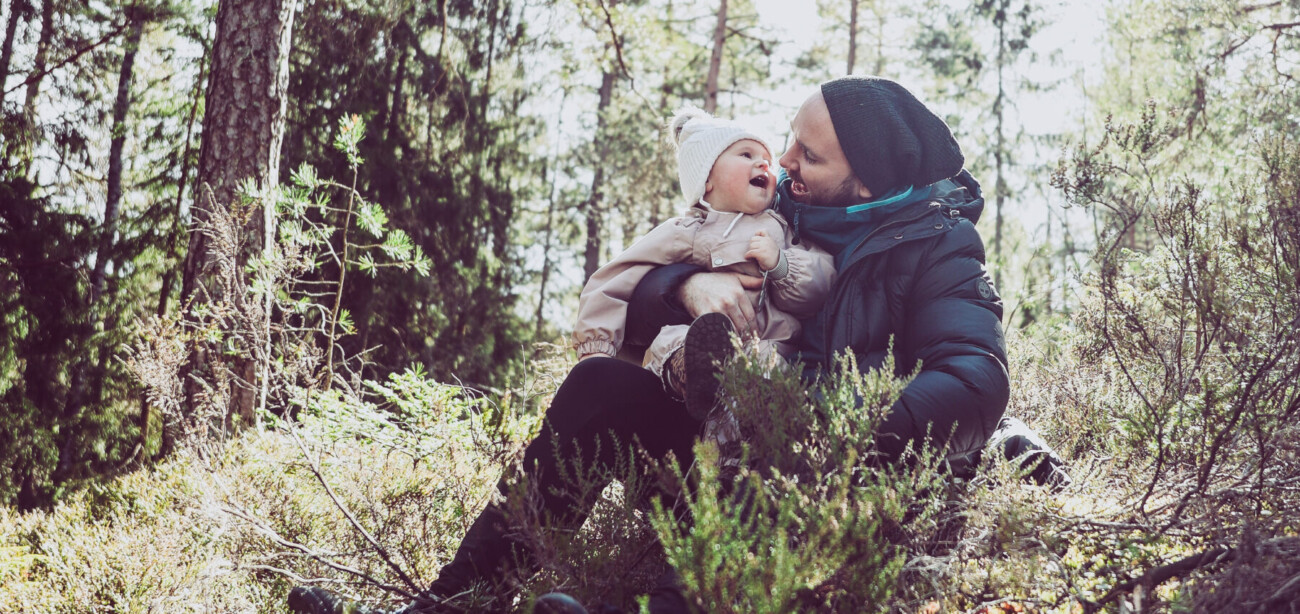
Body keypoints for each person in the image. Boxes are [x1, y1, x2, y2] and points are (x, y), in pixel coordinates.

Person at [287, 76, 1044, 614]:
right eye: (786, 144)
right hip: (723, 451)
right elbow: (653, 274)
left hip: (839, 486)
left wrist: (832, 427)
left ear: (867, 184)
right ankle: (452, 600)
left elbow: (976, 376)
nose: (781, 165)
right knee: (598, 391)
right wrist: (683, 289)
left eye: (808, 157)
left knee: (762, 472)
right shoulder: (781, 214)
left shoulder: (940, 245)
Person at [574, 106, 835, 431]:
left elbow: (822, 282)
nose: (764, 163)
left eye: (766, 157)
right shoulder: (686, 230)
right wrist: (596, 347)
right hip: (701, 339)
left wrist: (782, 265)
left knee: (765, 387)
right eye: (745, 153)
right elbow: (616, 279)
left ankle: (737, 456)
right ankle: (691, 374)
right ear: (707, 179)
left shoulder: (782, 230)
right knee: (674, 339)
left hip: (767, 351)